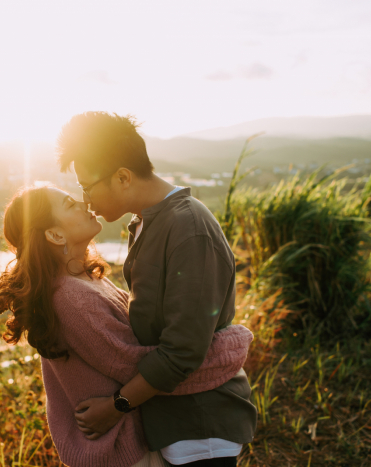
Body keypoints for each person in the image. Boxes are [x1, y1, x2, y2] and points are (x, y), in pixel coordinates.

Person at [0, 185, 254, 467]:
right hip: (118, 452)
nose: (84, 203)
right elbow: (143, 366)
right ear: (55, 234)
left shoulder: (85, 280)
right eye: (70, 204)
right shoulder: (72, 298)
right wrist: (229, 345)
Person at [58, 112, 258, 467]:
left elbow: (182, 352)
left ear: (122, 177)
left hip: (202, 430)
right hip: (174, 423)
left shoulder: (188, 229)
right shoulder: (149, 222)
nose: (86, 201)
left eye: (87, 188)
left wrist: (115, 406)